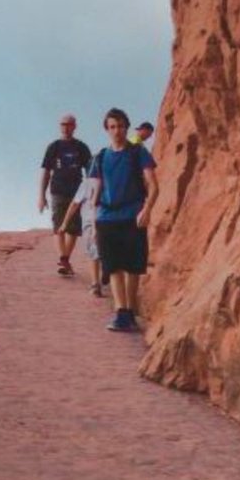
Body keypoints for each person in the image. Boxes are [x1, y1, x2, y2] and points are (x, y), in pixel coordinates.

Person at [88, 108, 157, 331]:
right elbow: (95, 192)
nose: (117, 131)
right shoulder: (100, 157)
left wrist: (147, 210)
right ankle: (121, 313)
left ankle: (128, 311)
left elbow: (154, 185)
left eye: (120, 126)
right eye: (112, 127)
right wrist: (93, 221)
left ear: (127, 127)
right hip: (107, 218)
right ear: (107, 129)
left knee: (132, 267)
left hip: (132, 215)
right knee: (113, 267)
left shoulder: (138, 152)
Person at [38, 114, 93, 276]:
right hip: (57, 190)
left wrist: (91, 193)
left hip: (77, 191)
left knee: (74, 228)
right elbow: (46, 171)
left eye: (69, 124)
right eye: (63, 124)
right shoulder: (54, 147)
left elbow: (90, 171)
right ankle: (63, 258)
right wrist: (41, 195)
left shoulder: (81, 147)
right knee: (58, 224)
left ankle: (65, 259)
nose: (65, 127)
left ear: (75, 126)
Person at [60, 175, 103, 296]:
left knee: (93, 250)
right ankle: (99, 280)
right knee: (99, 250)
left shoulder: (87, 183)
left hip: (90, 220)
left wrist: (65, 223)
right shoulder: (113, 178)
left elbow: (75, 204)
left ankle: (95, 284)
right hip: (107, 218)